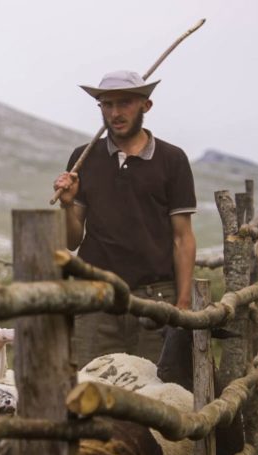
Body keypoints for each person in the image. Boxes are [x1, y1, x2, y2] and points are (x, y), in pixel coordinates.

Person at [52, 70, 197, 367]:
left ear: (146, 106)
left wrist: (181, 304)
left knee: (156, 394)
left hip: (155, 298)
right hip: (96, 296)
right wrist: (67, 206)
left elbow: (183, 237)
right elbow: (72, 240)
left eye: (125, 103)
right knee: (92, 389)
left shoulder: (172, 159)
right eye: (107, 104)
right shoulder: (84, 158)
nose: (115, 113)